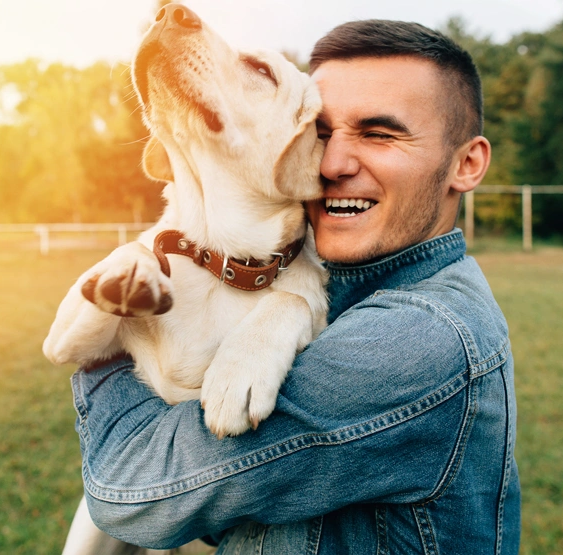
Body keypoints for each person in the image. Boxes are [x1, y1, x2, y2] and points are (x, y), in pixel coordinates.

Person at [68, 20, 520, 554]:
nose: (331, 164)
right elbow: (224, 515)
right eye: (322, 132)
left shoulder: (422, 339)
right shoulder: (326, 284)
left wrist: (106, 337)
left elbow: (137, 491)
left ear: (467, 164)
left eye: (379, 134)